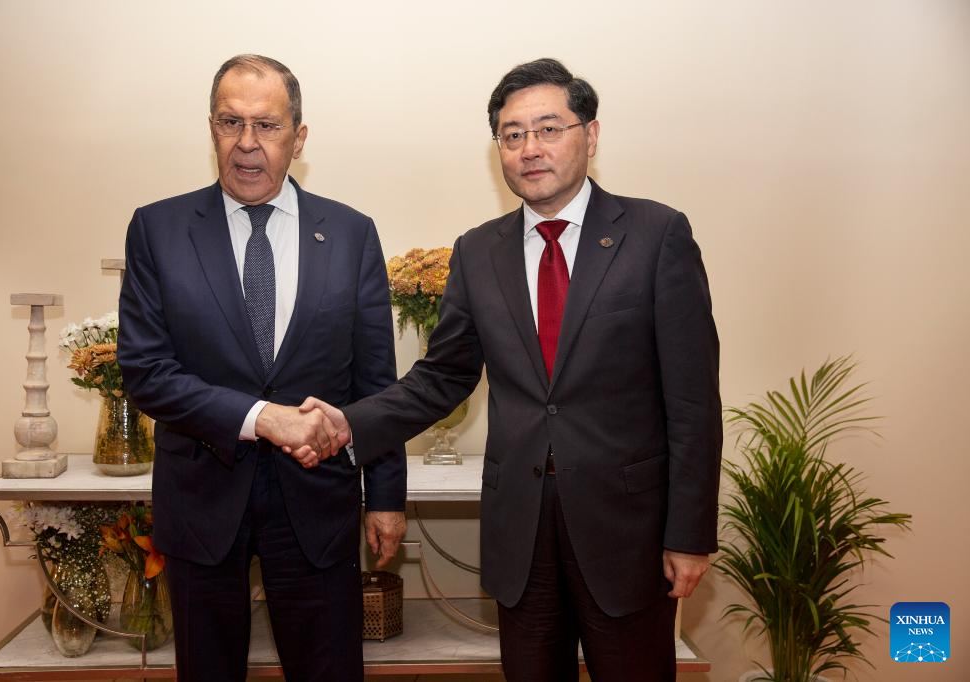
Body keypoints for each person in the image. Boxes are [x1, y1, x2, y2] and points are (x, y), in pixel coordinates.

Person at [302, 58, 721, 681]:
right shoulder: (478, 251)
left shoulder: (656, 234)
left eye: (549, 129)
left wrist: (689, 533)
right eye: (512, 134)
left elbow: (692, 401)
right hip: (521, 532)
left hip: (627, 532)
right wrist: (348, 423)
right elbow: (443, 377)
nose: (530, 148)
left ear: (591, 135)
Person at [117, 54, 406, 682]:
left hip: (317, 503)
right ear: (212, 129)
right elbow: (145, 370)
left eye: (267, 125)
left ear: (298, 138)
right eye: (230, 122)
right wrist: (262, 418)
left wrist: (385, 498)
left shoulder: (352, 233)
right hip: (201, 501)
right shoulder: (158, 229)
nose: (246, 143)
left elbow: (375, 384)